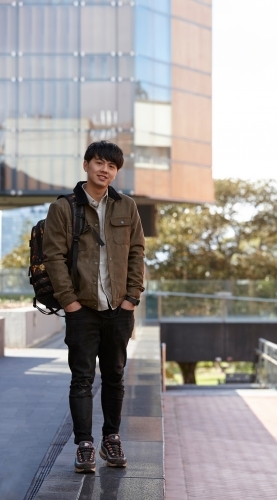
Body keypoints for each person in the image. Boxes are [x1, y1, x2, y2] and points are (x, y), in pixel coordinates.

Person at [43, 141, 145, 473]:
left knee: (115, 376)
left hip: (119, 307)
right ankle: (84, 444)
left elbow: (137, 253)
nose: (105, 170)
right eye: (99, 163)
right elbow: (54, 257)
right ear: (86, 165)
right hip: (82, 308)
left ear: (116, 172)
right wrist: (69, 301)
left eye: (112, 166)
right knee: (82, 378)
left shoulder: (127, 206)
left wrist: (132, 297)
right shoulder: (64, 208)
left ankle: (111, 438)